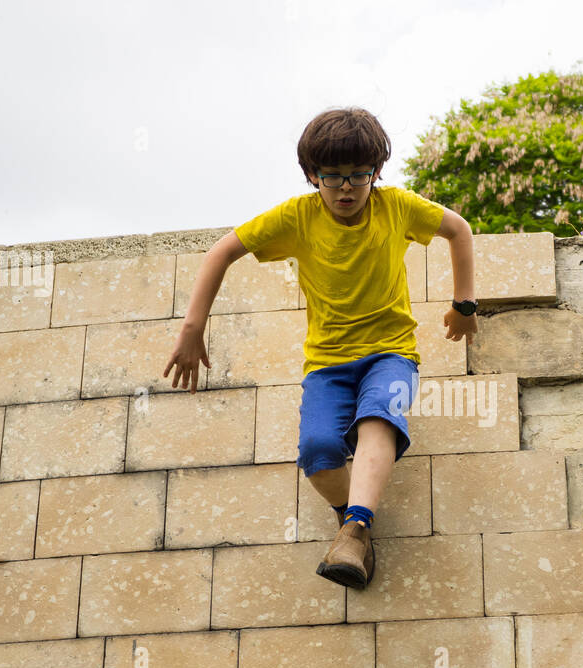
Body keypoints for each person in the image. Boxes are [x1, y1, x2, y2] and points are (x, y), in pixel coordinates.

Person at [163, 106, 478, 590]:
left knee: (379, 418)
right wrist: (192, 328)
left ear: (376, 172)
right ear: (313, 175)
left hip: (391, 352)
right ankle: (352, 520)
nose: (347, 188)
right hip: (328, 363)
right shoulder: (298, 216)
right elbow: (221, 251)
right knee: (318, 452)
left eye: (359, 176)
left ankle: (355, 528)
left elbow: (458, 229)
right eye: (333, 178)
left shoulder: (396, 207)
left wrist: (465, 305)